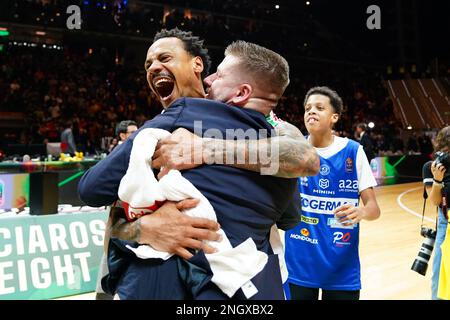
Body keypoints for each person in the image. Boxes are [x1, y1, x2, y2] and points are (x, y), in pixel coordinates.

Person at [78, 34, 318, 299]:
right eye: (148, 65)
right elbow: (111, 214)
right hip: (236, 284)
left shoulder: (274, 128)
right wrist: (144, 228)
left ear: (197, 65)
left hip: (188, 281)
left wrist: (206, 149)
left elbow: (305, 160)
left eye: (165, 58)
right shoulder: (155, 126)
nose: (153, 67)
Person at [284, 86, 381, 300]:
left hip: (341, 267)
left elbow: (374, 209)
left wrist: (361, 212)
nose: (311, 111)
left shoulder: (353, 151)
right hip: (298, 264)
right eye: (308, 108)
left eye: (319, 108)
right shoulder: (292, 149)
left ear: (334, 117)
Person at [94, 119, 139, 300]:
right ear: (122, 135)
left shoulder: (138, 149)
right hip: (119, 210)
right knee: (110, 253)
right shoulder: (118, 154)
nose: (137, 133)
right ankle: (103, 294)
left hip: (135, 209)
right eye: (132, 132)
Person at [422, 126, 450, 300]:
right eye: (444, 151)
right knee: (440, 272)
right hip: (446, 220)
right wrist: (438, 180)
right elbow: (434, 201)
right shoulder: (430, 167)